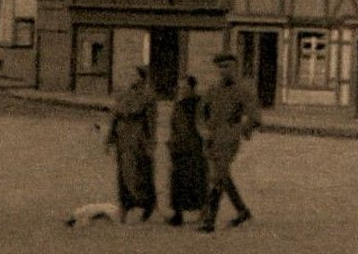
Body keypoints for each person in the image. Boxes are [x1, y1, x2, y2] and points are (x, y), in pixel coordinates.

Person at [197, 51, 260, 232]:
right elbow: (200, 113)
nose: (224, 71)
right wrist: (203, 131)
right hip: (212, 137)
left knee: (218, 176)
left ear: (235, 68)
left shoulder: (243, 90)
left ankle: (209, 220)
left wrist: (241, 130)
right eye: (221, 67)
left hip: (229, 137)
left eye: (228, 67)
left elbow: (254, 116)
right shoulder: (213, 89)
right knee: (222, 176)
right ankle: (242, 211)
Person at [105, 66, 158, 222]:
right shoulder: (123, 95)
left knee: (139, 174)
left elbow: (151, 122)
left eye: (133, 75)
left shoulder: (148, 96)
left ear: (142, 78)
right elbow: (114, 118)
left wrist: (151, 143)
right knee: (123, 173)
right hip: (123, 138)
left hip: (138, 138)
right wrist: (109, 140)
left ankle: (147, 203)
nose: (130, 78)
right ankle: (125, 206)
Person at [167, 75, 207, 226]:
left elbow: (203, 124)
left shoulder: (199, 104)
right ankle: (178, 214)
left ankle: (203, 209)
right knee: (177, 179)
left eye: (184, 87)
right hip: (178, 146)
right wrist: (172, 141)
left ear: (192, 88)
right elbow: (174, 124)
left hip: (194, 147)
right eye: (180, 88)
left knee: (195, 179)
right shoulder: (179, 104)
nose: (181, 90)